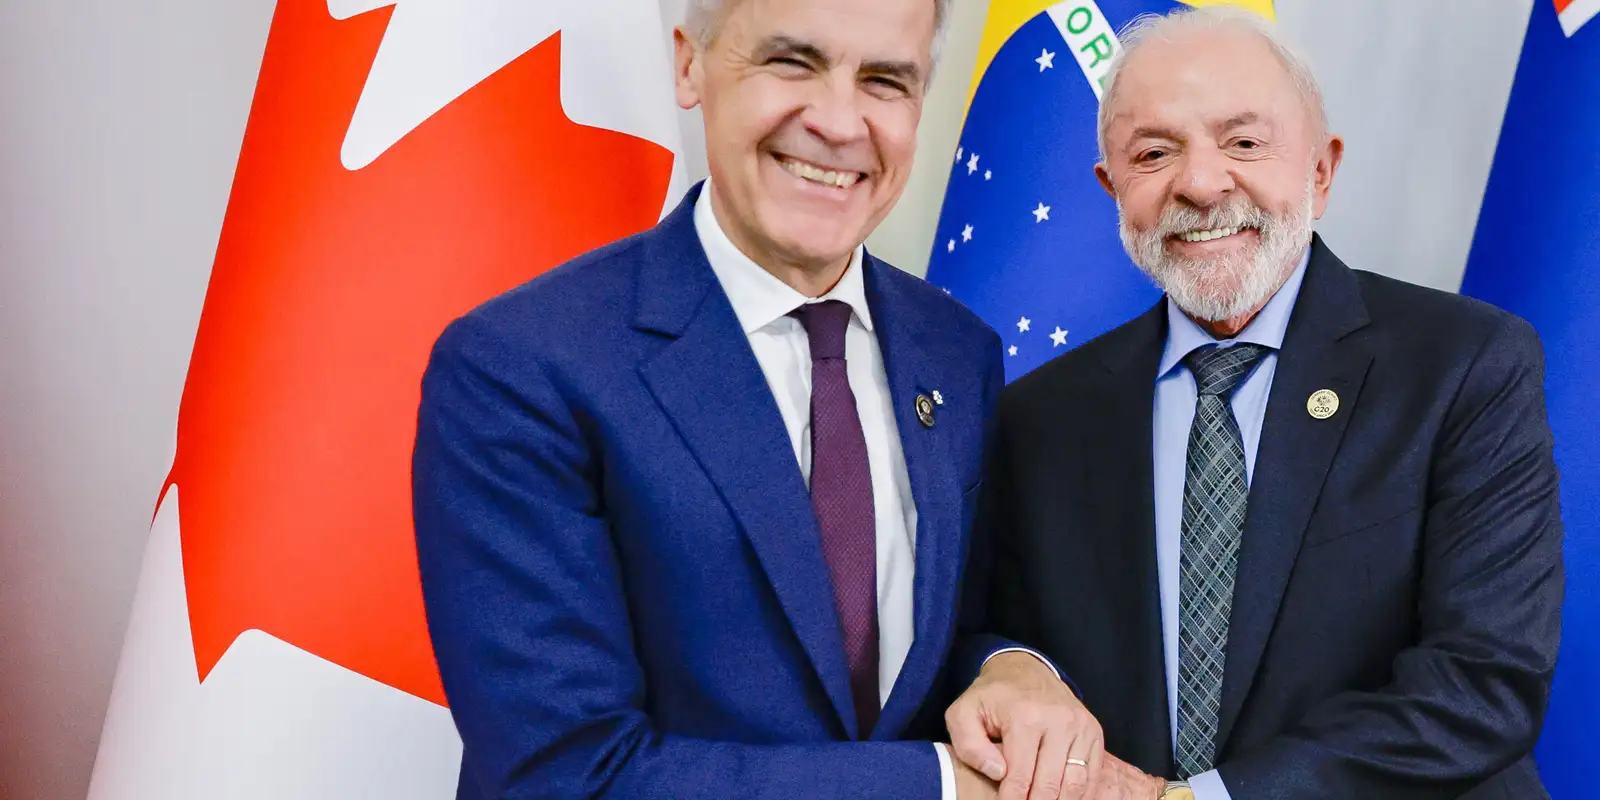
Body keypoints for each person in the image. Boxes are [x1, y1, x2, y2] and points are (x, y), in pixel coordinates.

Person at [410, 0, 1107, 797]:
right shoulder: (521, 366)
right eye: (792, 62)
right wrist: (943, 785)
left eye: (885, 80)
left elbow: (949, 629)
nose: (839, 122)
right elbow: (567, 773)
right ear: (689, 66)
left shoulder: (958, 350)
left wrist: (1010, 668)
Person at [976, 7, 1564, 800]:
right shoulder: (1039, 417)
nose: (1201, 183)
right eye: (1154, 153)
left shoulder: (1466, 366)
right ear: (1112, 189)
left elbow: (1483, 683)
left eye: (1244, 143)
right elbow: (990, 635)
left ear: (1322, 171)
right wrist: (1011, 665)